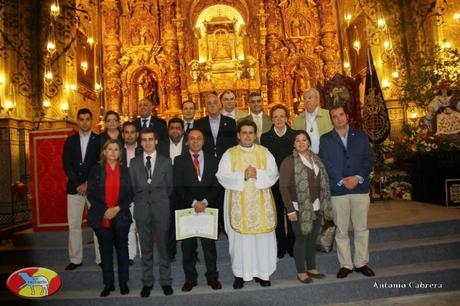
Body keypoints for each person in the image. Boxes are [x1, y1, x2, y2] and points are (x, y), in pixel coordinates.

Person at [216, 120, 279, 289]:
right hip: (239, 205)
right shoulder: (230, 154)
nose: (248, 136)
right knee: (240, 242)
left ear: (255, 134)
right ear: (238, 135)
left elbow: (274, 173)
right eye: (244, 133)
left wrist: (257, 173)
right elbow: (221, 175)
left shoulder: (264, 152)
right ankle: (240, 274)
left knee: (262, 239)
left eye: (251, 133)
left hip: (261, 204)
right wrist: (243, 175)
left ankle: (262, 273)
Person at [319, 105, 374, 279]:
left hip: (360, 188)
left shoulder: (360, 136)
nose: (339, 119)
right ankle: (346, 264)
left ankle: (361, 263)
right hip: (338, 190)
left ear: (347, 116)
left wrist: (357, 177)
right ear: (331, 120)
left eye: (341, 115)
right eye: (334, 116)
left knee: (361, 228)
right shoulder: (326, 139)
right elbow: (326, 163)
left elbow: (368, 160)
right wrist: (342, 180)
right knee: (341, 230)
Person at [279, 130, 333, 283]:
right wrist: (290, 210)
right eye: (298, 141)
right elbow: (283, 187)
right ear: (294, 144)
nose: (301, 143)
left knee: (312, 238)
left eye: (304, 140)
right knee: (301, 238)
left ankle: (311, 267)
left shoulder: (316, 159)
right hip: (298, 207)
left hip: (316, 206)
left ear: (309, 142)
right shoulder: (289, 161)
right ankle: (301, 271)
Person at [173, 127, 222, 292]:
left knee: (209, 247)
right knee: (188, 248)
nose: (195, 141)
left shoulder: (213, 160)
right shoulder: (179, 161)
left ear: (203, 141)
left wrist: (205, 202)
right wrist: (194, 202)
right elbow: (178, 186)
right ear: (187, 142)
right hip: (188, 209)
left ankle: (212, 278)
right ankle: (190, 279)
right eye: (192, 138)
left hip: (208, 209)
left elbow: (216, 185)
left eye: (199, 138)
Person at [129, 128, 174, 297]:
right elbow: (134, 188)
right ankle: (147, 282)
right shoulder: (134, 163)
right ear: (140, 142)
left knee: (163, 248)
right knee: (146, 249)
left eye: (150, 139)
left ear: (156, 141)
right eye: (144, 140)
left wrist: (159, 200)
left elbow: (169, 187)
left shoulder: (166, 161)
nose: (147, 142)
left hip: (161, 209)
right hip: (142, 210)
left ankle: (166, 282)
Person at [87, 139, 133, 297]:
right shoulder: (95, 170)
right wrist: (106, 210)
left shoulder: (126, 171)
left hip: (121, 215)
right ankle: (108, 284)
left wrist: (117, 208)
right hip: (102, 215)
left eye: (116, 149)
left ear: (120, 153)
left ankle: (123, 282)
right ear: (104, 152)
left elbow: (130, 194)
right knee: (105, 251)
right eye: (110, 149)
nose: (113, 152)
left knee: (122, 249)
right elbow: (91, 194)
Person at [62, 108, 100, 271]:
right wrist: (78, 184)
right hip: (74, 188)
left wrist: (87, 184)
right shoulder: (69, 141)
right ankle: (76, 259)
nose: (84, 122)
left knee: (97, 224)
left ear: (92, 121)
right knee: (74, 224)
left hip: (93, 189)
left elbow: (100, 165)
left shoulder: (99, 140)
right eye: (82, 119)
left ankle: (101, 258)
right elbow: (67, 165)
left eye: (87, 119)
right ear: (77, 121)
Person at [261, 104, 295, 259]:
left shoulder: (295, 135)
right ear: (272, 119)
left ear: (287, 118)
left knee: (292, 214)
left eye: (282, 116)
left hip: (292, 183)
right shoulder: (265, 137)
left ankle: (292, 245)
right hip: (274, 182)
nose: (279, 119)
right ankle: (280, 245)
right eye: (276, 117)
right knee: (278, 216)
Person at [157, 117, 187, 262]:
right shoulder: (160, 146)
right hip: (166, 191)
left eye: (178, 128)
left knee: (187, 222)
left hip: (186, 190)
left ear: (183, 130)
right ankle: (170, 253)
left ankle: (190, 254)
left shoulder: (190, 144)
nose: (175, 131)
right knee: (168, 223)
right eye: (172, 128)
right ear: (168, 130)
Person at [121, 121, 143, 265]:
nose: (129, 135)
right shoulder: (117, 151)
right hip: (123, 194)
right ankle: (130, 255)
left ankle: (144, 254)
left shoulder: (143, 150)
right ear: (123, 135)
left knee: (142, 225)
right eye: (126, 132)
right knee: (129, 225)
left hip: (140, 194)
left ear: (137, 134)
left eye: (132, 132)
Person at [195, 92, 237, 161]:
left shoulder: (230, 122)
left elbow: (233, 143)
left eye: (215, 102)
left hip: (226, 159)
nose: (212, 105)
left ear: (220, 105)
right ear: (206, 106)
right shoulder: (199, 123)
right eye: (209, 103)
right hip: (205, 160)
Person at [293, 88, 333, 154]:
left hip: (327, 155)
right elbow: (294, 140)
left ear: (317, 100)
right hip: (306, 157)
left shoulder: (328, 115)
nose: (307, 100)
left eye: (310, 97)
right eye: (305, 98)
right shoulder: (298, 119)